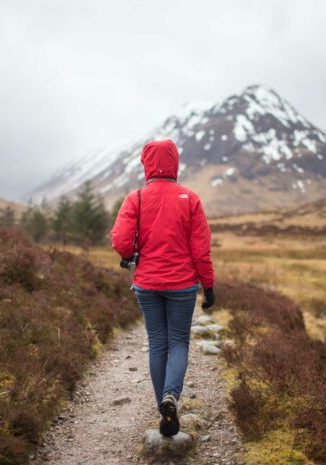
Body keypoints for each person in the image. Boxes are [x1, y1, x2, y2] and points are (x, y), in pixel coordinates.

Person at [110, 139, 215, 437]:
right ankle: (172, 397)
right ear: (174, 164)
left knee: (158, 344)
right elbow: (201, 252)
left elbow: (120, 239)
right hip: (182, 285)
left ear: (146, 164)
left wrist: (128, 256)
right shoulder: (190, 198)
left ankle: (164, 409)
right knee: (179, 342)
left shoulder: (137, 198)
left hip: (146, 283)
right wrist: (208, 286)